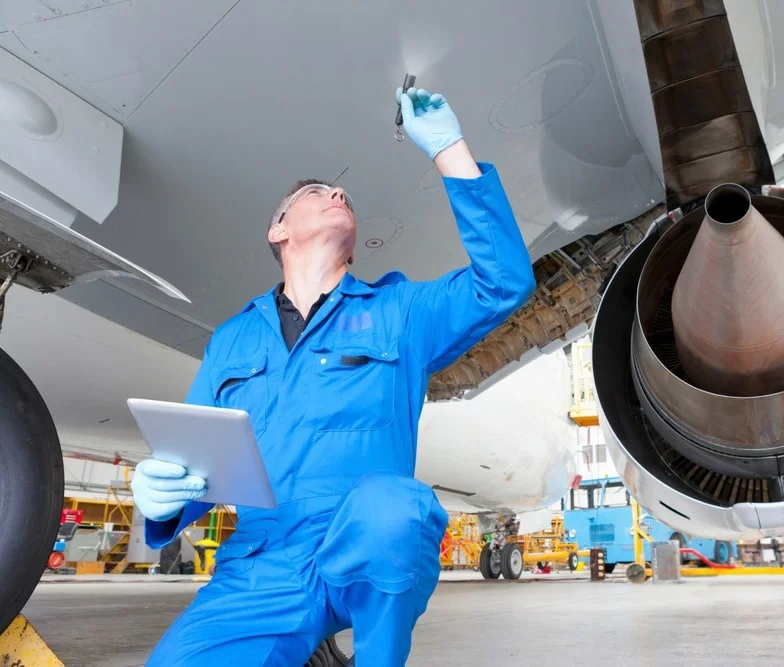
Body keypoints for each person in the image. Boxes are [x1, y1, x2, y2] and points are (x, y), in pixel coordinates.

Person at [130, 85, 535, 665]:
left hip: (365, 540)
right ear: (278, 230)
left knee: (394, 508)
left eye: (342, 194)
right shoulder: (233, 340)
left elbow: (503, 282)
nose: (338, 193)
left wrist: (450, 150)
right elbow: (197, 466)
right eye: (316, 193)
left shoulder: (399, 313)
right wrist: (162, 499)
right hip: (262, 561)